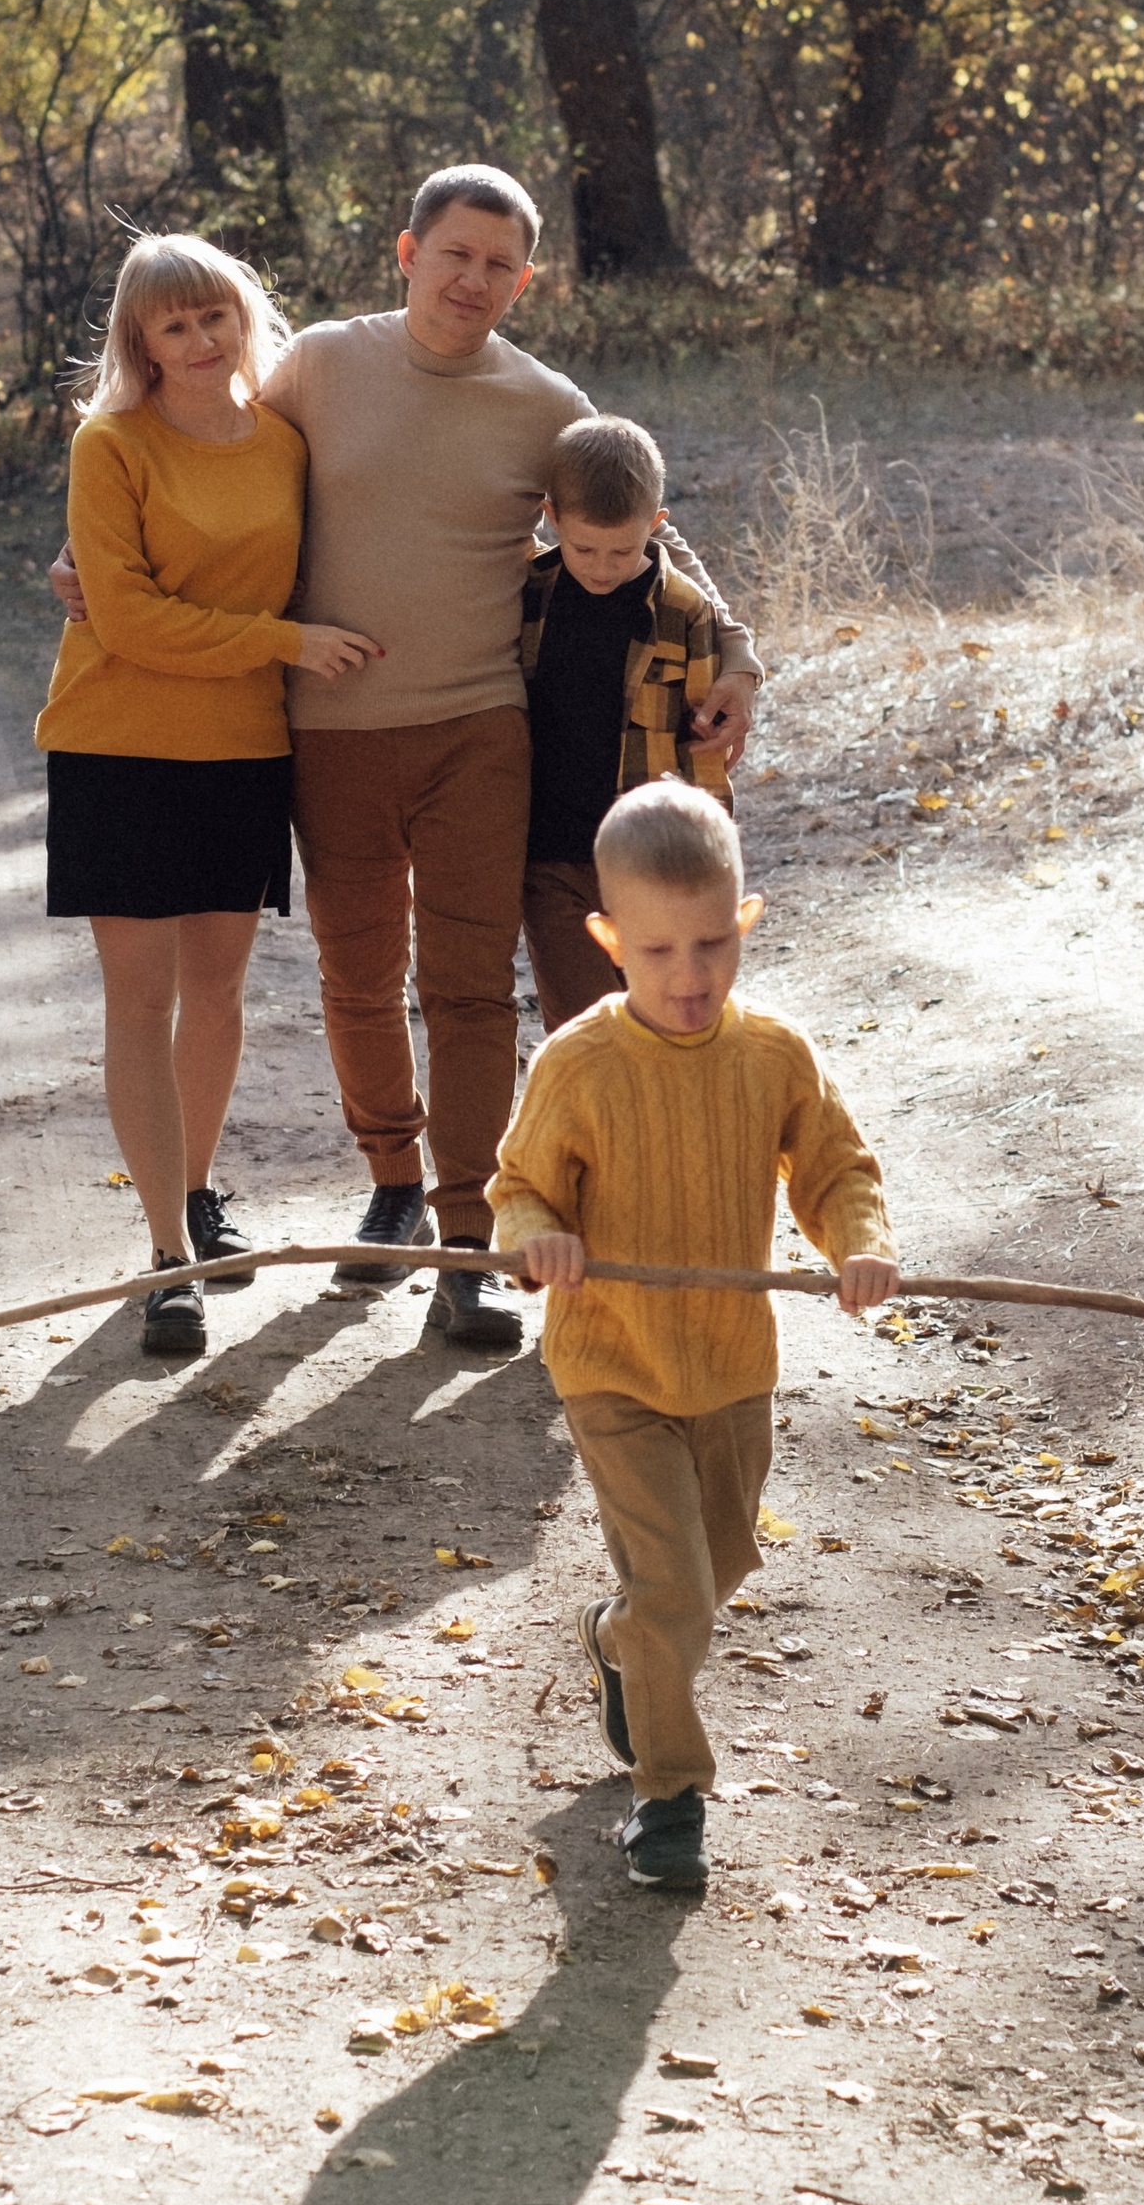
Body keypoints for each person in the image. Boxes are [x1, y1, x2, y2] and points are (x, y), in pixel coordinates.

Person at [49, 163, 760, 1355]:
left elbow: (648, 533)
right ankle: (390, 1170)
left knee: (470, 984)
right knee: (358, 970)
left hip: (482, 729)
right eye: (455, 255)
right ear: (408, 254)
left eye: (499, 265)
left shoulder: (543, 403)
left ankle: (466, 1239)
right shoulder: (320, 364)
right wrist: (84, 564)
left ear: (523, 280)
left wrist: (734, 652)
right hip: (324, 734)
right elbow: (195, 442)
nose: (473, 280)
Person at [491, 780, 896, 1893]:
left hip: (728, 1367)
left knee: (713, 1572)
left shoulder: (772, 1054)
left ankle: (622, 1644)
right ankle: (670, 1802)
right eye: (659, 949)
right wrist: (540, 1241)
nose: (689, 975)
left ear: (743, 923)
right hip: (612, 1364)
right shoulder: (576, 1065)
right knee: (676, 1590)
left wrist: (855, 1242)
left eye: (713, 943)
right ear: (609, 939)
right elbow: (518, 1190)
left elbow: (834, 1168)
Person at [37, 233, 378, 1363]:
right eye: (172, 326)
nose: (197, 341)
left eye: (214, 318)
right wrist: (284, 640)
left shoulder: (285, 442)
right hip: (117, 745)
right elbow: (125, 618)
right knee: (140, 1002)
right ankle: (166, 1260)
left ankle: (194, 1193)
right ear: (140, 342)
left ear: (244, 319)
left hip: (242, 748)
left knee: (218, 992)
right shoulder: (110, 443)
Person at [519, 412, 733, 1035]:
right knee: (587, 1029)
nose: (603, 567)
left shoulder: (684, 611)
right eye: (584, 548)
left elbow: (704, 748)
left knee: (668, 1019)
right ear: (551, 518)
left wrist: (708, 849)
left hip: (650, 859)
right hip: (551, 856)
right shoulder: (529, 597)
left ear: (657, 528)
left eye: (624, 550)